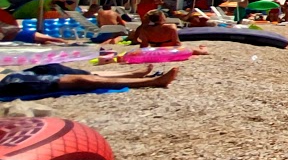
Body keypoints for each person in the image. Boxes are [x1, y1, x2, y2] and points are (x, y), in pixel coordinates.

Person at [0, 62, 180, 98]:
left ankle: (131, 73)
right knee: (77, 80)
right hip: (7, 85)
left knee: (54, 67)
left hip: (9, 74)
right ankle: (151, 82)